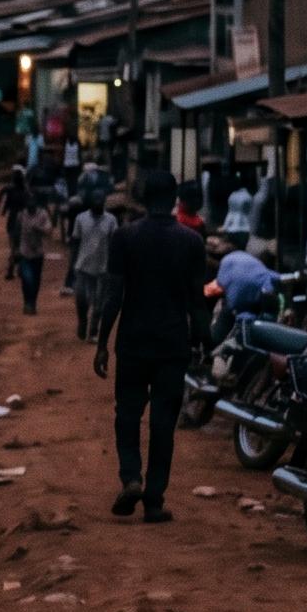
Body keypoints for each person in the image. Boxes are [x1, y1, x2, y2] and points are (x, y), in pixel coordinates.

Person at [91, 170, 205, 522]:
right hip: (172, 344)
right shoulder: (191, 242)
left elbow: (113, 295)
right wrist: (203, 342)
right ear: (174, 200)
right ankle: (154, 499)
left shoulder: (125, 237)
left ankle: (131, 477)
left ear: (142, 197)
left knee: (127, 414)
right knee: (162, 423)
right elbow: (196, 302)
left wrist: (101, 342)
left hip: (133, 343)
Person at [69, 189, 118, 340]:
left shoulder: (111, 220)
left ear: (104, 202)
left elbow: (114, 242)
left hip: (103, 267)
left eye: (100, 200)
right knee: (81, 299)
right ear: (90, 202)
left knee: (99, 303)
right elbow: (75, 241)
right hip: (83, 266)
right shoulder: (81, 219)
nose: (98, 203)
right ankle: (82, 321)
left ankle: (93, 331)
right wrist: (73, 262)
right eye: (95, 200)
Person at [12, 186, 52, 313]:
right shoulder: (21, 215)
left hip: (38, 252)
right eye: (28, 202)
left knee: (35, 280)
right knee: (27, 279)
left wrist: (38, 228)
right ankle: (28, 303)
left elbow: (49, 230)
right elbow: (16, 233)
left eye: (33, 201)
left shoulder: (43, 214)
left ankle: (32, 303)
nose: (30, 204)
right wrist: (15, 249)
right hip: (24, 252)